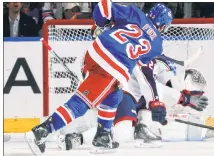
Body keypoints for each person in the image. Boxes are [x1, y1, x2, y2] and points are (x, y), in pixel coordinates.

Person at [25, 1, 173, 155]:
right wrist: (155, 101)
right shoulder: (157, 44)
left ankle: (103, 137)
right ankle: (40, 132)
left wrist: (102, 24)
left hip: (94, 52)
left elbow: (103, 5)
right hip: (111, 67)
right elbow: (146, 73)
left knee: (115, 95)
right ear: (162, 26)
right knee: (81, 103)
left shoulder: (135, 13)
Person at [56, 55, 209, 150]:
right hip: (122, 93)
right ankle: (76, 138)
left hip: (123, 94)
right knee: (123, 132)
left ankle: (142, 128)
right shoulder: (155, 62)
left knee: (151, 103)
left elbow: (157, 92)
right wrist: (185, 99)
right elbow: (156, 88)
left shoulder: (156, 62)